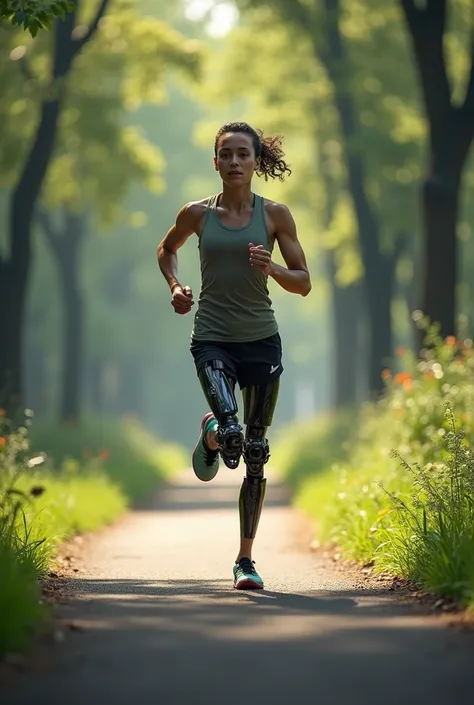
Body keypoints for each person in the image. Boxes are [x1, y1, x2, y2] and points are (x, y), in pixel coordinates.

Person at [157, 121, 311, 590]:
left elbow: (303, 282)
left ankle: (245, 560)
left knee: (257, 451)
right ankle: (215, 432)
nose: (234, 162)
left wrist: (274, 269)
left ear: (255, 159)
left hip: (261, 341)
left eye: (243, 154)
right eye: (226, 154)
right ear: (216, 161)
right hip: (212, 339)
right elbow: (167, 250)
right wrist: (177, 287)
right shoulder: (197, 215)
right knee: (233, 432)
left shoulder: (276, 216)